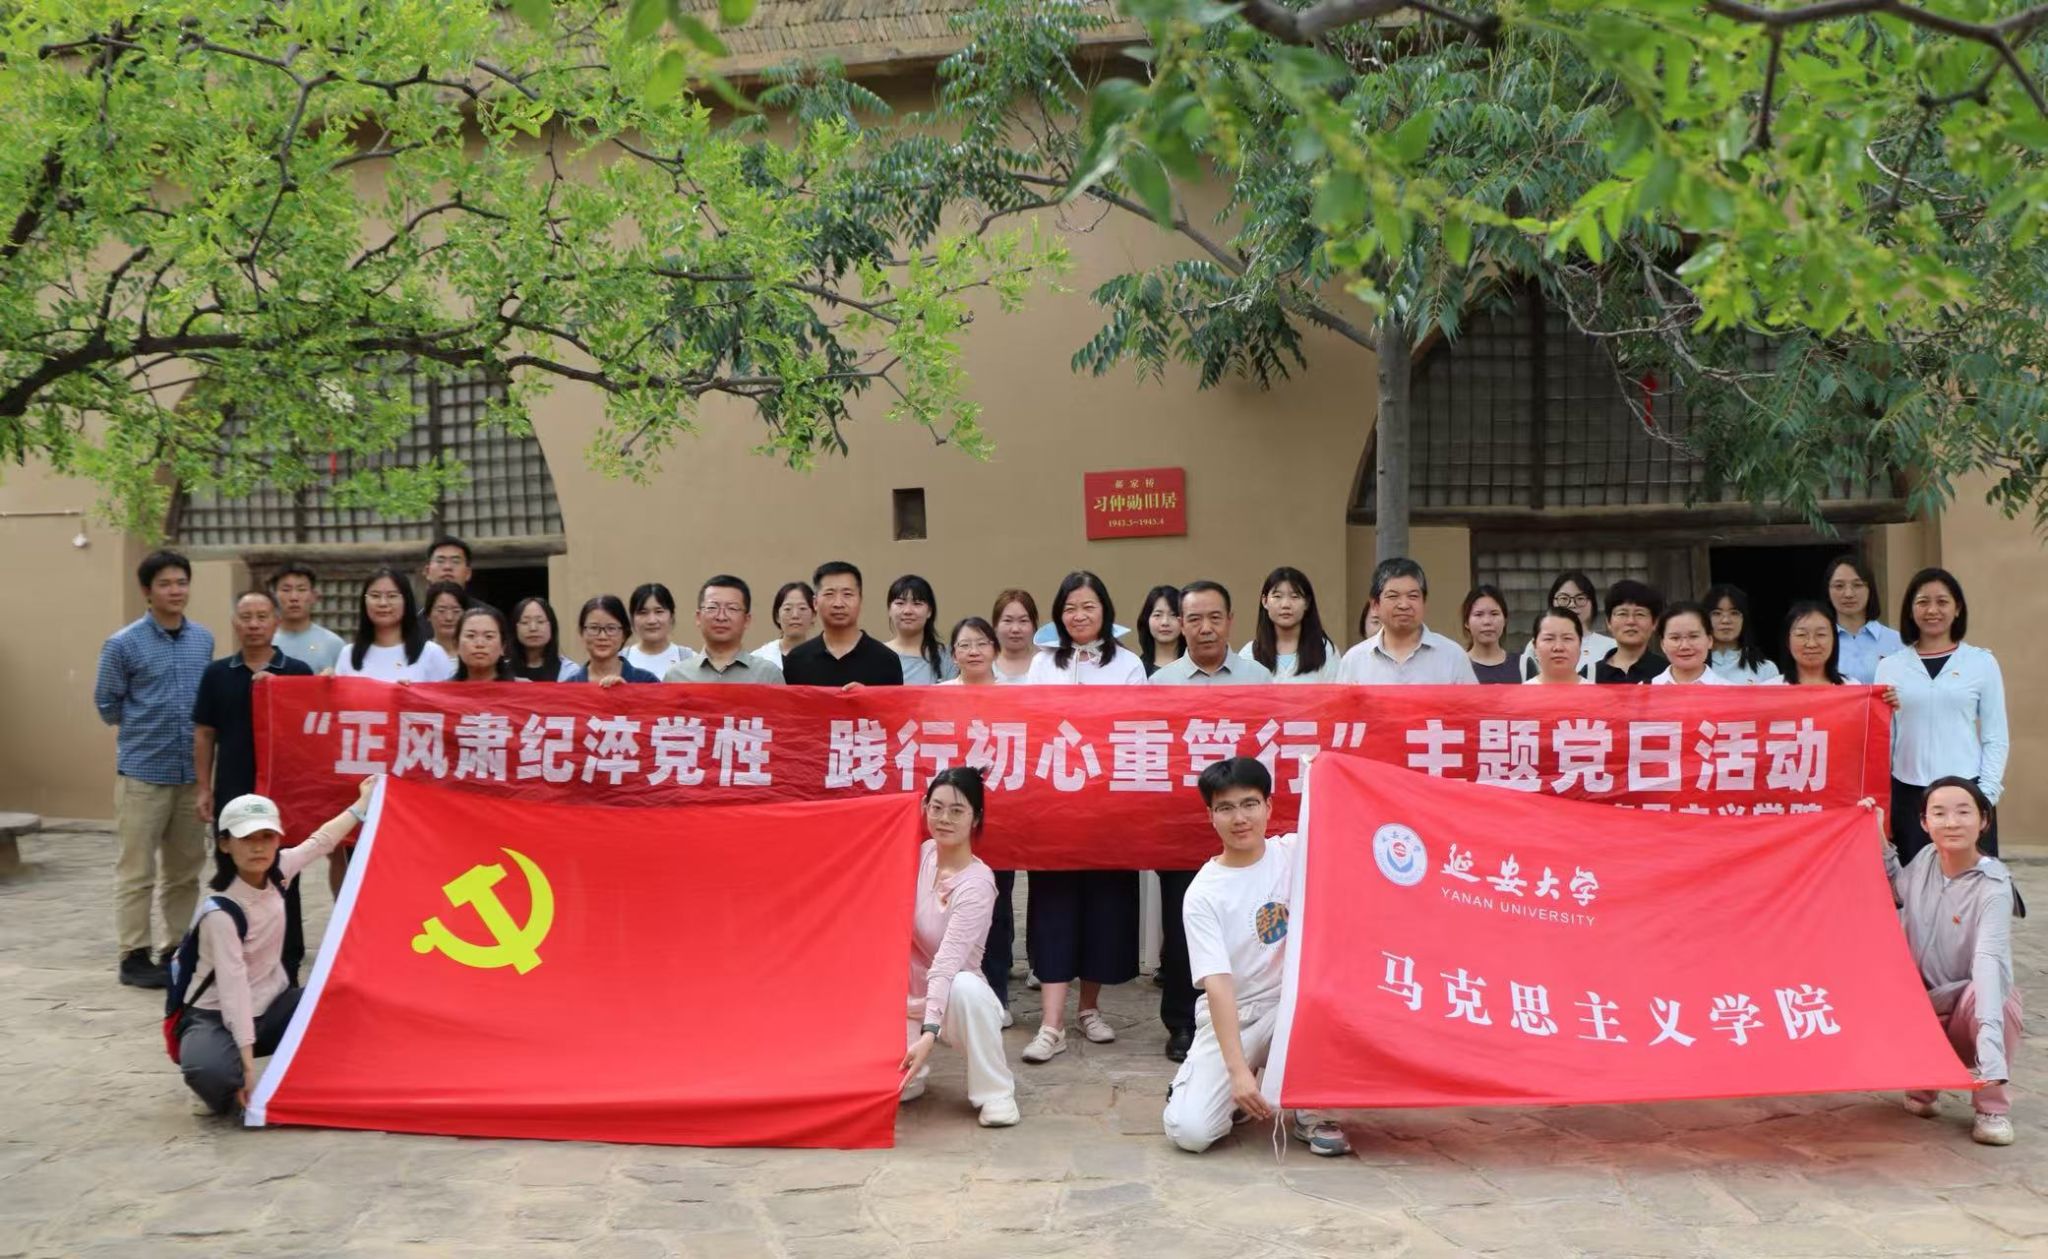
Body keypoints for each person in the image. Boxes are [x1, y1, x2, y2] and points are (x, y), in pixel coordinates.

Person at [1161, 757, 1350, 1157]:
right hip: (1238, 1014)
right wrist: (1237, 1072)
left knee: (1329, 997)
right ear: (1211, 816)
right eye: (1225, 808)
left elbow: (1353, 829)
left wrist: (1326, 770)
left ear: (1268, 806)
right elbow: (1217, 984)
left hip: (1294, 1008)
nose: (1240, 818)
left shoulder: (1294, 852)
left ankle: (1313, 1109)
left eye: (1250, 804)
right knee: (1190, 1132)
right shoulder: (1203, 894)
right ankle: (1220, 1085)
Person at [177, 782, 370, 1115]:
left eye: (267, 836)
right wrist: (248, 1067)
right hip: (217, 1017)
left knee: (346, 1001)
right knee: (211, 1073)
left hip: (271, 1007)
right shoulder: (221, 912)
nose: (258, 848)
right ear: (225, 844)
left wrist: (362, 803)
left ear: (279, 840)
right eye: (246, 839)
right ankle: (223, 1075)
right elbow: (234, 989)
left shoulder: (279, 870)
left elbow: (322, 840)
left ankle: (293, 1071)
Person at [1022, 571, 1144, 1064]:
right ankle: (1050, 1024)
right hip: (1053, 811)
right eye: (1070, 607)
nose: (1079, 615)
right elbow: (1029, 726)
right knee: (1054, 909)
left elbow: (1138, 729)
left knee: (1103, 910)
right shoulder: (1042, 663)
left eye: (1088, 606)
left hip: (1109, 810)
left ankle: (1089, 1009)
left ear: (1105, 611)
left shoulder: (1129, 665)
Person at [1152, 581, 1272, 1064]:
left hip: (1241, 825)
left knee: (1248, 923)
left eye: (1215, 618)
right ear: (1180, 625)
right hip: (1181, 824)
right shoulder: (1159, 684)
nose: (1205, 628)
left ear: (1230, 621)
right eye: (1195, 619)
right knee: (1183, 926)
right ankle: (1182, 1022)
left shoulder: (1258, 678)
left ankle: (1250, 1016)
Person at [94, 549, 216, 988]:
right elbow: (106, 704)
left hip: (190, 777)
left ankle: (176, 949)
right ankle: (133, 955)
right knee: (137, 871)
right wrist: (144, 726)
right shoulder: (122, 644)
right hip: (143, 774)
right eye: (165, 584)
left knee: (184, 871)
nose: (175, 591)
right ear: (147, 591)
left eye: (181, 582)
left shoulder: (203, 640)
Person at [1881, 779, 2021, 1147]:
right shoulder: (1927, 859)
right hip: (1918, 1012)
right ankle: (1923, 1087)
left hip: (1964, 1014)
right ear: (1924, 822)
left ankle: (1991, 1107)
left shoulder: (1994, 886)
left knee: (2000, 998)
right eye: (1939, 813)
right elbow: (1896, 889)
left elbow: (1988, 963)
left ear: (1984, 821)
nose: (1952, 822)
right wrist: (1874, 833)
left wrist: (1991, 1063)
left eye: (1963, 812)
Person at [192, 590, 316, 978]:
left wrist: (282, 692)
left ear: (276, 623)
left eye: (262, 617)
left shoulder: (297, 671)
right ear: (235, 623)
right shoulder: (216, 674)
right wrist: (204, 788)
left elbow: (313, 730)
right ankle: (234, 957)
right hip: (233, 791)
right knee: (232, 873)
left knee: (283, 874)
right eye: (246, 617)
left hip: (283, 795)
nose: (254, 624)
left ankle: (287, 962)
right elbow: (204, 734)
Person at [899, 767, 1021, 1128]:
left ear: (975, 818)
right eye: (936, 808)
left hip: (954, 994)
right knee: (898, 1089)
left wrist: (929, 1033)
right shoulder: (923, 853)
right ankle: (914, 1072)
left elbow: (946, 963)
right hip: (906, 995)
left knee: (965, 988)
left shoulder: (978, 885)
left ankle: (996, 1092)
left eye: (957, 811)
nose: (944, 819)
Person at [1876, 568, 2008, 863]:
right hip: (1908, 793)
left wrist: (1984, 796)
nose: (1932, 610)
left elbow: (1995, 736)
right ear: (1910, 610)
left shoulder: (1981, 662)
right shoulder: (1890, 667)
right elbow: (1885, 737)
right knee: (1913, 882)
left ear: (1957, 608)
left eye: (1942, 601)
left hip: (1966, 792)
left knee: (1969, 882)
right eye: (1923, 602)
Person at [940, 614, 1018, 1023]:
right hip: (948, 820)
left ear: (995, 649)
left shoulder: (1017, 697)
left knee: (996, 908)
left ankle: (996, 995)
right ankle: (941, 995)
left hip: (1000, 819)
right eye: (964, 645)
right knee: (944, 907)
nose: (973, 651)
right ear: (953, 654)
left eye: (981, 643)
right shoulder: (936, 695)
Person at [1337, 558, 1478, 684]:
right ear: (1375, 605)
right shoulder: (1354, 661)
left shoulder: (1453, 656)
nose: (1404, 605)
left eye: (1413, 596)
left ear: (1424, 602)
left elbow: (1472, 705)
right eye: (1393, 596)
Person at [782, 562, 905, 688]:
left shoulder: (886, 660)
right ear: (815, 603)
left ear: (860, 600)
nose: (838, 603)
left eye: (847, 594)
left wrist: (869, 697)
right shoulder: (797, 660)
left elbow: (893, 700)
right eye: (829, 594)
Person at [334, 568, 455, 682]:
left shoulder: (431, 653)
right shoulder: (348, 654)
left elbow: (447, 695)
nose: (383, 603)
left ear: (406, 601)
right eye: (375, 596)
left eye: (392, 596)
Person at [665, 576, 785, 683]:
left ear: (747, 620)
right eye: (712, 607)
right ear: (698, 617)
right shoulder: (676, 677)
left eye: (732, 608)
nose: (721, 617)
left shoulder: (767, 675)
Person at [1243, 567, 1340, 682]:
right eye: (1277, 596)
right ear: (1264, 601)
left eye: (1295, 597)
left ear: (1307, 603)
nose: (1285, 605)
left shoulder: (1326, 651)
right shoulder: (1249, 655)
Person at [1518, 572, 1616, 681]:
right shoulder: (1537, 645)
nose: (1572, 604)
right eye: (1564, 598)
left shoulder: (1610, 646)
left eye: (1580, 598)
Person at [1828, 553, 1903, 685]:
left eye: (1857, 585)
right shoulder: (1820, 643)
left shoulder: (1897, 642)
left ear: (1870, 589)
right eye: (1839, 586)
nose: (1848, 594)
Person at [267, 563, 344, 675]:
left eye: (301, 590)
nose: (294, 597)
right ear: (273, 596)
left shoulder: (333, 644)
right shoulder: (264, 642)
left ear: (314, 596)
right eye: (286, 590)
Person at [568, 595, 660, 685]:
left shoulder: (647, 681)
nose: (602, 637)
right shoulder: (569, 686)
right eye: (594, 628)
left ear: (624, 634)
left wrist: (628, 691)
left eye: (611, 628)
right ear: (582, 633)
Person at [1703, 583, 1783, 684]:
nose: (1725, 620)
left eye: (1734, 613)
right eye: (1717, 613)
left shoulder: (1766, 669)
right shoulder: (1693, 667)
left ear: (1744, 619)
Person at [885, 574, 955, 684]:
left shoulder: (948, 657)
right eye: (900, 603)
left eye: (917, 604)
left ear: (929, 611)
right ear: (889, 609)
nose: (907, 611)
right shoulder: (876, 655)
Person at [1594, 580, 1667, 684]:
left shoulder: (1668, 672)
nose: (1631, 621)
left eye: (1640, 614)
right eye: (1622, 614)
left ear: (1655, 623)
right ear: (1608, 622)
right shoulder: (1590, 675)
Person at [1649, 603, 1730, 685]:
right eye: (1675, 638)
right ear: (1662, 644)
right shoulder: (1647, 688)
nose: (1685, 646)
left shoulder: (1730, 690)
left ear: (1709, 640)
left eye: (1693, 636)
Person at [625, 583, 696, 677]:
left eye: (659, 612)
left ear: (671, 616)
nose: (652, 620)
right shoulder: (619, 661)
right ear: (632, 618)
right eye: (643, 613)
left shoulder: (691, 660)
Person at [508, 597, 579, 682]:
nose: (533, 628)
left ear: (551, 627)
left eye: (540, 621)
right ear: (515, 628)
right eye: (525, 622)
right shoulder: (501, 671)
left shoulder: (571, 673)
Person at [1460, 586, 1520, 684]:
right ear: (1466, 622)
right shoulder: (1457, 666)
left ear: (1505, 620)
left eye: (1494, 614)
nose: (1487, 621)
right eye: (1479, 614)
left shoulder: (1523, 665)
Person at [751, 581, 816, 667]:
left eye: (802, 608)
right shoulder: (759, 659)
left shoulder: (824, 659)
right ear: (777, 616)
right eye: (787, 609)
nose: (795, 615)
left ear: (813, 615)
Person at [1782, 601, 1845, 686]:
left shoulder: (1852, 686)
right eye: (1801, 635)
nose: (1812, 644)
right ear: (1788, 641)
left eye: (1821, 634)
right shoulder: (1771, 688)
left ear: (1834, 640)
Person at [451, 606, 520, 682]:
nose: (480, 644)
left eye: (489, 636)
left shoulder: (524, 687)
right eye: (471, 636)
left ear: (503, 646)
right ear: (456, 645)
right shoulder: (443, 688)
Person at [1523, 609, 1591, 685]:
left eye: (1567, 638)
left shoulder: (1596, 692)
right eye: (1549, 639)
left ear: (1580, 644)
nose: (1558, 647)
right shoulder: (1521, 692)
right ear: (1535, 645)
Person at [991, 590, 1040, 683]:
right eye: (1008, 620)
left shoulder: (1045, 663)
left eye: (1023, 621)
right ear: (995, 625)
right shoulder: (985, 665)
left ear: (1034, 626)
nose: (1015, 629)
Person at [1134, 585, 1184, 677]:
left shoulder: (1198, 667)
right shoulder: (1136, 669)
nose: (1165, 622)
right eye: (1157, 615)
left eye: (1173, 615)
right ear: (1146, 620)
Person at [941, 617, 999, 687]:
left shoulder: (1009, 691)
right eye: (965, 645)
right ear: (954, 655)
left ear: (995, 652)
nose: (974, 652)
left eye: (982, 644)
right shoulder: (939, 691)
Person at [421, 580, 468, 662]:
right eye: (441, 610)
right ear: (428, 614)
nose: (449, 618)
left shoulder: (473, 654)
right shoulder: (418, 654)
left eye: (456, 611)